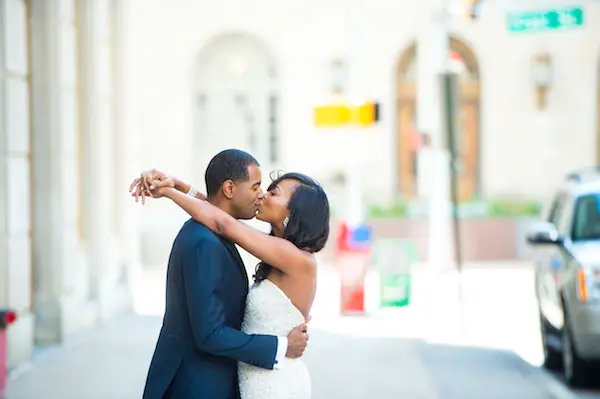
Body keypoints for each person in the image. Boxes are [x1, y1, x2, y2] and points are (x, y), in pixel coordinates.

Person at [130, 153, 330, 399]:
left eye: (272, 193)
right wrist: (176, 185)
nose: (262, 195)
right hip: (250, 375)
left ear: (295, 212)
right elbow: (218, 214)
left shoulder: (296, 257)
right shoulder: (268, 246)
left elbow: (224, 222)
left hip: (274, 382)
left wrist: (168, 192)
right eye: (259, 188)